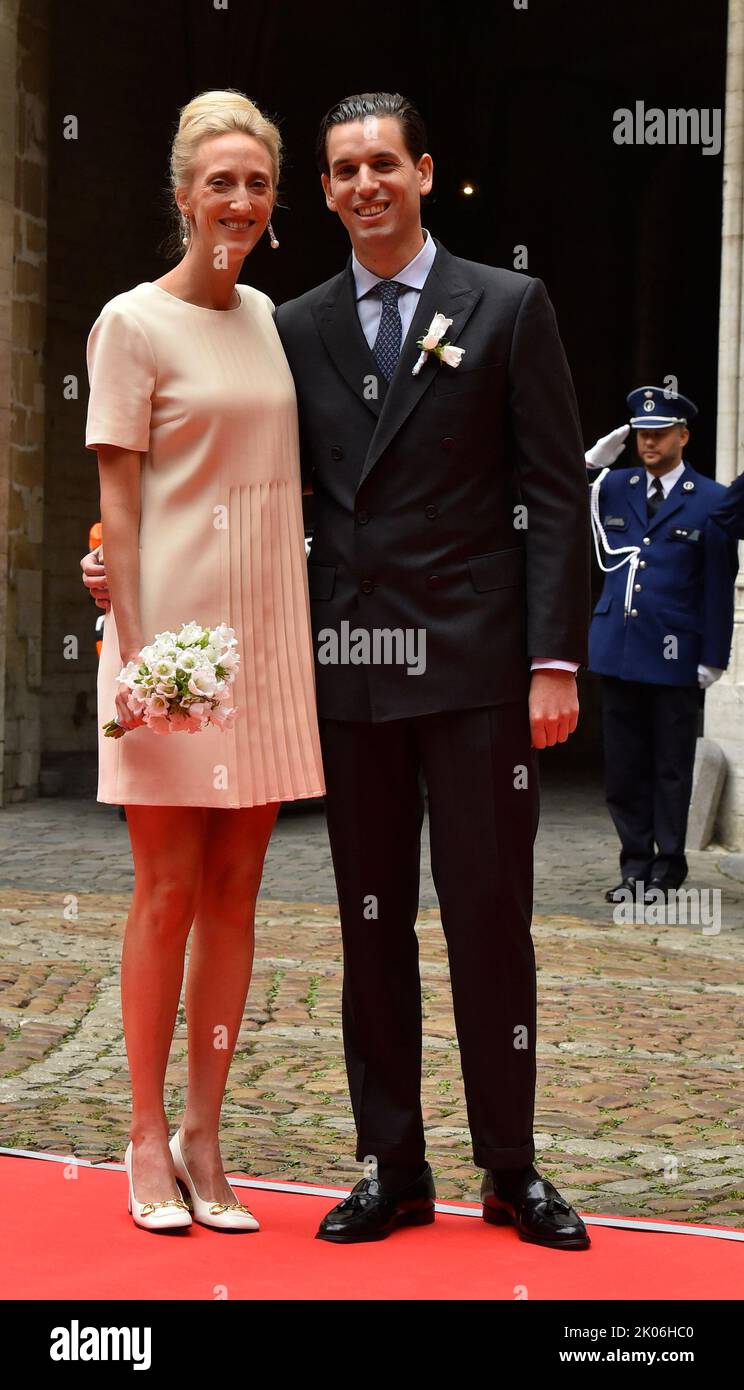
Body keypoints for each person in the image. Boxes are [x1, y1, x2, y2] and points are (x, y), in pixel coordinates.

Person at [85, 90, 592, 1251]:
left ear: (422, 170)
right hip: (339, 670)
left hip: (462, 668)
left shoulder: (501, 305)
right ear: (324, 192)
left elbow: (557, 489)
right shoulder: (293, 321)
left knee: (487, 917)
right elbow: (161, 472)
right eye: (341, 169)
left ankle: (511, 1170)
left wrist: (553, 661)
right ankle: (388, 1164)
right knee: (368, 925)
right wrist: (114, 559)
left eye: (383, 163)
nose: (364, 183)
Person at [84, 89, 324, 1232]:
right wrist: (131, 650)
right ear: (181, 194)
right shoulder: (129, 323)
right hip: (172, 652)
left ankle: (205, 1131)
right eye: (219, 180)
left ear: (276, 204)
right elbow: (118, 509)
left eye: (256, 182)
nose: (238, 199)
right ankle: (140, 1132)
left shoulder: (274, 317)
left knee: (238, 894)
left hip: (268, 643)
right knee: (167, 889)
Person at [586, 387, 738, 905]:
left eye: (659, 434)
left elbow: (719, 580)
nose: (648, 443)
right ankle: (633, 866)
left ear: (683, 436)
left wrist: (714, 653)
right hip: (619, 647)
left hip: (676, 652)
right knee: (624, 766)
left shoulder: (713, 499)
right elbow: (553, 499)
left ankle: (667, 867)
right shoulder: (614, 485)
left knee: (671, 766)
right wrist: (589, 464)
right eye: (642, 434)